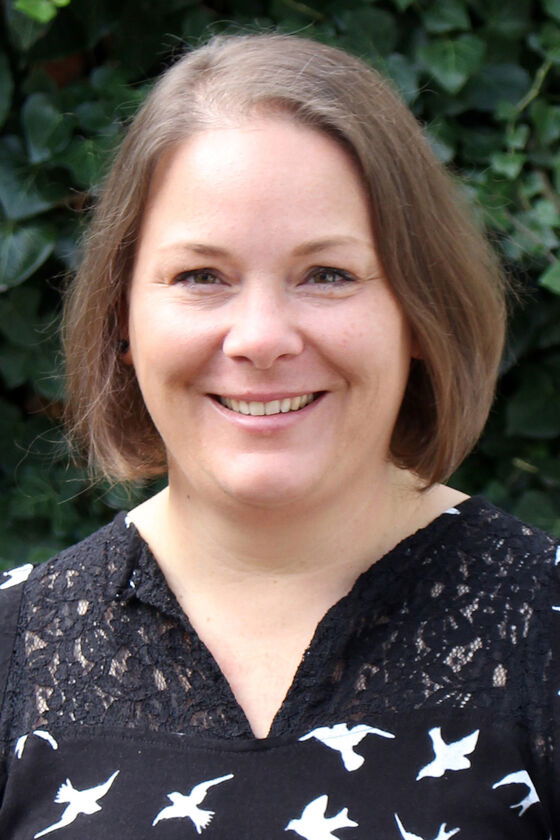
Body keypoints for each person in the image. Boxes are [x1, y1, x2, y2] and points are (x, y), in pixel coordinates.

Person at [0, 32, 558, 840]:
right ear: (122, 315)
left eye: (327, 275)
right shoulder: (12, 653)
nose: (261, 338)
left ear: (419, 311)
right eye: (201, 276)